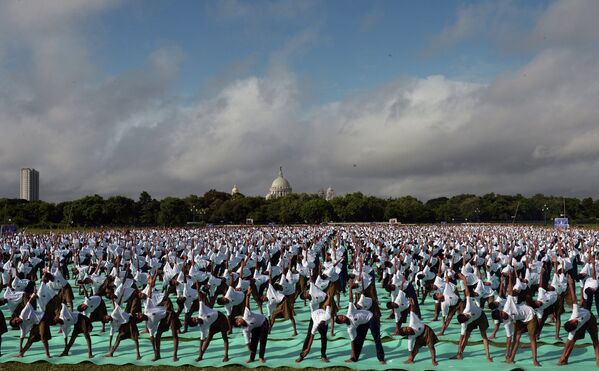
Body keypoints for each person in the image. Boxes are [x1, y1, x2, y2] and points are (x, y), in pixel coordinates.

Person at [335, 283, 385, 364]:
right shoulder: (350, 328)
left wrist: (350, 289)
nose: (343, 317)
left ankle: (381, 358)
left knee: (377, 338)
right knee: (358, 340)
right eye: (342, 319)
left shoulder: (350, 312)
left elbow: (350, 299)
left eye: (342, 316)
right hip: (363, 324)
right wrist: (352, 355)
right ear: (342, 322)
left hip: (371, 317)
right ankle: (354, 358)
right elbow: (353, 341)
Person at [557, 273, 599, 366]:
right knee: (572, 341)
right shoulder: (573, 330)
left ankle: (598, 359)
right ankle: (565, 359)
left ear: (571, 320)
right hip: (585, 321)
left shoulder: (575, 314)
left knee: (595, 339)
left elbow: (574, 299)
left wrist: (571, 284)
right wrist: (562, 357)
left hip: (590, 318)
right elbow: (568, 343)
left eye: (574, 322)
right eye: (576, 324)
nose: (576, 322)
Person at [452, 273, 492, 362]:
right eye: (467, 316)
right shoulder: (464, 324)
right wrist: (458, 351)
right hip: (472, 320)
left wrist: (464, 280)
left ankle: (488, 356)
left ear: (464, 314)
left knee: (484, 335)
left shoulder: (468, 307)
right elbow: (461, 338)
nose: (467, 315)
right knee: (466, 337)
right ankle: (460, 354)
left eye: (466, 315)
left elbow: (466, 291)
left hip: (480, 316)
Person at [397, 298, 439, 366]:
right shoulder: (411, 338)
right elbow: (410, 349)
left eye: (406, 327)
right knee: (415, 348)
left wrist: (412, 304)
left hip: (427, 331)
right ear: (407, 334)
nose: (408, 328)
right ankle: (411, 360)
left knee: (431, 346)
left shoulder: (412, 322)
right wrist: (410, 356)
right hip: (419, 336)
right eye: (407, 331)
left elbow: (412, 311)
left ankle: (433, 360)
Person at [234, 286, 269, 363]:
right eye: (238, 324)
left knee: (263, 340)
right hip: (255, 327)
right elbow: (247, 342)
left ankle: (261, 357)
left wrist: (247, 295)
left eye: (238, 320)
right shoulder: (245, 330)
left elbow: (246, 305)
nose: (239, 322)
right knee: (253, 342)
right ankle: (252, 358)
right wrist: (250, 350)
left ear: (240, 318)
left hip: (263, 322)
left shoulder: (246, 315)